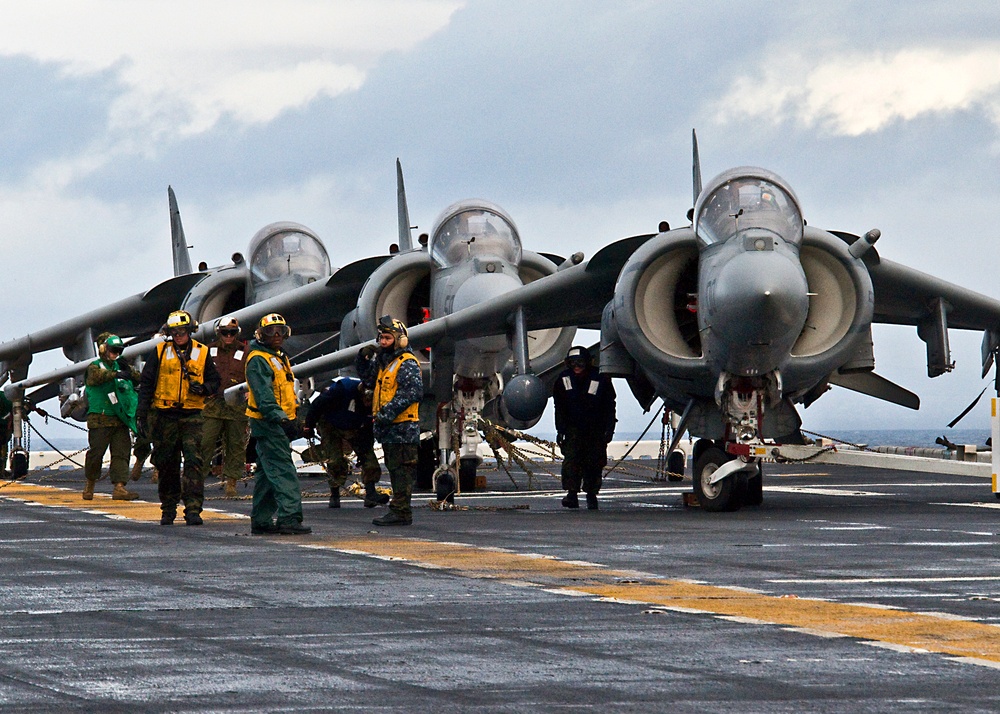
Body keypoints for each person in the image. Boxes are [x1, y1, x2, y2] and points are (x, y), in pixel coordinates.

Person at [137, 310, 221, 525]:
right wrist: (142, 414)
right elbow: (147, 384)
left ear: (190, 331)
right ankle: (168, 508)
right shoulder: (159, 352)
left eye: (182, 331)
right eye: (174, 332)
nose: (179, 335)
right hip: (165, 418)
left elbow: (215, 381)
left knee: (194, 462)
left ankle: (193, 509)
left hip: (192, 416)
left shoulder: (202, 353)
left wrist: (203, 388)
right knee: (167, 464)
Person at [245, 313, 311, 535]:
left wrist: (295, 419)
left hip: (277, 422)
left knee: (266, 473)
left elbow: (285, 394)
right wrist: (282, 419)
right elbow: (264, 397)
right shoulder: (258, 359)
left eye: (280, 331)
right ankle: (290, 518)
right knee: (283, 471)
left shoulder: (278, 357)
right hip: (269, 423)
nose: (276, 335)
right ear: (260, 334)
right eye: (270, 331)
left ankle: (262, 520)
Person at [356, 315, 423, 527]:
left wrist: (386, 414)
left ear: (400, 340)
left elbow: (412, 393)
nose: (383, 342)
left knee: (402, 471)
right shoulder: (385, 364)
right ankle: (399, 510)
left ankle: (401, 511)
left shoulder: (407, 363)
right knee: (395, 469)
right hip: (390, 429)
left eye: (387, 338)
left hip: (403, 427)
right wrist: (362, 359)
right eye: (381, 338)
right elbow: (368, 379)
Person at [303, 376, 387, 509]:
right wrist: (309, 426)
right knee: (335, 460)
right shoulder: (342, 389)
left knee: (369, 459)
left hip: (356, 426)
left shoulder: (376, 402)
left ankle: (371, 494)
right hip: (330, 424)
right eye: (366, 400)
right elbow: (317, 405)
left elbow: (369, 428)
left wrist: (365, 449)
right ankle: (335, 494)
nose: (367, 403)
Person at [553, 345, 616, 510]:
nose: (576, 366)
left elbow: (610, 406)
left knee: (594, 463)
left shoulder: (600, 378)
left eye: (580, 362)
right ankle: (572, 495)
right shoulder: (563, 379)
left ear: (588, 362)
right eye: (573, 362)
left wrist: (609, 429)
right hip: (572, 430)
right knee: (571, 462)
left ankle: (591, 495)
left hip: (596, 430)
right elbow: (559, 408)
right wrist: (560, 431)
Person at [83, 334, 141, 501]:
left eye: (118, 351)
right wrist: (116, 374)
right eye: (113, 350)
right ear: (103, 349)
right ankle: (90, 483)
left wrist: (128, 370)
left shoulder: (120, 365)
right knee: (96, 454)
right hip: (100, 418)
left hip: (120, 418)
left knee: (122, 453)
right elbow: (96, 377)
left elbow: (137, 378)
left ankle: (120, 487)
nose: (116, 353)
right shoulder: (94, 367)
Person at [200, 316, 249, 499]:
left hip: (236, 407)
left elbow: (250, 375)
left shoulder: (246, 351)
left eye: (232, 332)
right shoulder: (207, 351)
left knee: (236, 445)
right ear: (218, 333)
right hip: (212, 405)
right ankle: (197, 481)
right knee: (205, 443)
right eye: (225, 332)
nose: (228, 336)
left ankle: (231, 482)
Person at [0, 390, 12, 478]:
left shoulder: (5, 397)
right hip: (3, 428)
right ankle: (1, 470)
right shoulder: (6, 397)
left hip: (3, 428)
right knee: (3, 449)